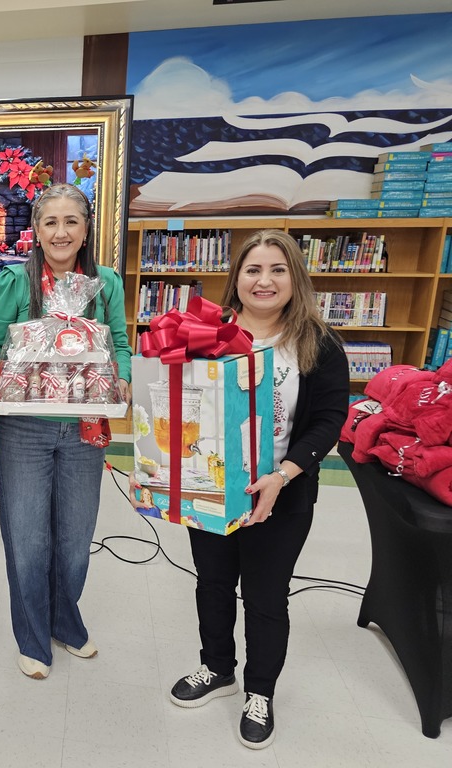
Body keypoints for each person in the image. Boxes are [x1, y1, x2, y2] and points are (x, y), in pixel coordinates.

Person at [159, 229, 349, 749]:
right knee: (212, 583)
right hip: (214, 489)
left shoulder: (318, 342)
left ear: (295, 278)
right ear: (236, 277)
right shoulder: (206, 331)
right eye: (253, 270)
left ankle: (259, 690)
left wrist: (286, 474)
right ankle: (216, 668)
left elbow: (331, 419)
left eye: (277, 270)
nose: (264, 281)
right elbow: (178, 402)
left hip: (281, 494)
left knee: (266, 597)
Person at [0, 183, 132, 680]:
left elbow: (121, 346)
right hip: (23, 429)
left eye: (71, 222)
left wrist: (124, 380)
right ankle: (31, 634)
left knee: (74, 539)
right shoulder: (14, 280)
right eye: (51, 222)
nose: (61, 232)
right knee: (27, 539)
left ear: (86, 229)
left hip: (86, 427)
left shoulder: (106, 282)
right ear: (37, 230)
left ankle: (65, 621)